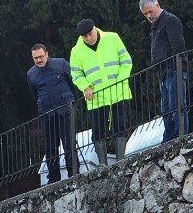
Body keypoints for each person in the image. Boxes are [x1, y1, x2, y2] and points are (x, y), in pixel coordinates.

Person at [70, 19, 133, 167]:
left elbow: (126, 60)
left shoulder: (113, 38)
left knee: (121, 126)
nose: (89, 38)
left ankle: (121, 160)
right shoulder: (76, 51)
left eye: (90, 34)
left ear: (95, 28)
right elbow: (76, 74)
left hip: (119, 92)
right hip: (96, 97)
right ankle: (103, 164)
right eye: (85, 36)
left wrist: (120, 79)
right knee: (98, 131)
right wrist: (85, 87)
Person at [139, 0, 188, 143]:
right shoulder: (155, 26)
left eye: (150, 11)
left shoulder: (170, 20)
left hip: (173, 69)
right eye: (145, 13)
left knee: (177, 106)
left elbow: (178, 47)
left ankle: (180, 137)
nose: (148, 15)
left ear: (157, 5)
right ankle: (169, 138)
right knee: (166, 110)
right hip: (163, 72)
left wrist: (176, 67)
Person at [26, 44, 76, 184]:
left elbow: (73, 83)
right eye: (36, 58)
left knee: (69, 143)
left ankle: (73, 173)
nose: (39, 60)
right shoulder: (31, 74)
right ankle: (53, 178)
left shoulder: (61, 64)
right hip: (47, 113)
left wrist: (70, 100)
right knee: (50, 146)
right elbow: (34, 94)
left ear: (47, 54)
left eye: (41, 57)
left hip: (65, 108)